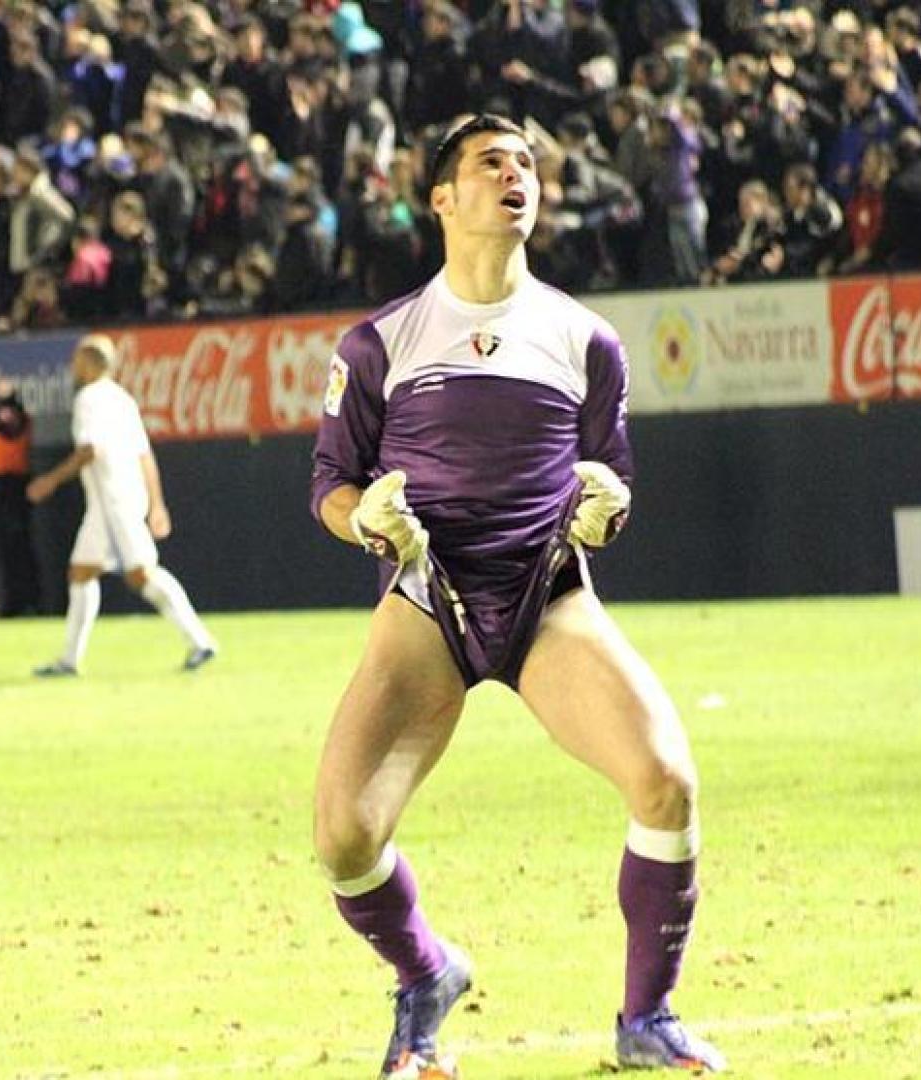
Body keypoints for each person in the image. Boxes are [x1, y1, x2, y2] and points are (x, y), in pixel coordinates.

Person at [308, 114, 725, 1077]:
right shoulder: (379, 343)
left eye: (528, 163)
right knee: (343, 839)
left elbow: (607, 477)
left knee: (667, 782)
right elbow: (328, 483)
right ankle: (426, 974)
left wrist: (604, 512)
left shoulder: (587, 340)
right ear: (442, 198)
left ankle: (646, 1021)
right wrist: (365, 518)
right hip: (427, 601)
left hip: (547, 599)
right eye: (491, 163)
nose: (516, 175)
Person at [26, 335, 217, 676]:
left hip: (112, 501)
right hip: (120, 498)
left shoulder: (88, 398)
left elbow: (89, 450)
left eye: (77, 358)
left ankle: (200, 641)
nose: (73, 365)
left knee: (143, 574)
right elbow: (145, 455)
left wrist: (50, 480)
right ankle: (69, 660)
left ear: (89, 361)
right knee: (81, 572)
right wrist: (156, 504)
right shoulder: (122, 398)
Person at [0, 378, 42, 616]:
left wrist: (1, 399)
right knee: (6, 548)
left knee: (19, 546)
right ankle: (15, 601)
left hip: (13, 484)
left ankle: (30, 601)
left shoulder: (18, 416)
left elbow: (6, 427)